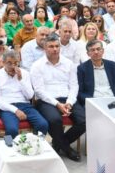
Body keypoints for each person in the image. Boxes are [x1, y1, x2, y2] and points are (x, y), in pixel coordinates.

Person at [31, 34, 81, 162]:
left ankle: (59, 143)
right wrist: (57, 104)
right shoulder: (37, 65)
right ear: (44, 49)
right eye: (51, 46)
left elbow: (74, 86)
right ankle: (67, 149)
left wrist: (69, 102)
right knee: (54, 120)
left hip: (67, 98)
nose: (55, 49)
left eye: (57, 46)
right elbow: (39, 91)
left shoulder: (69, 64)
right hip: (47, 100)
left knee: (84, 120)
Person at [0, 50, 49, 138]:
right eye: (9, 63)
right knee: (12, 129)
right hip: (7, 107)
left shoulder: (24, 73)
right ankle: (9, 148)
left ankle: (36, 146)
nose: (13, 66)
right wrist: (15, 110)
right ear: (3, 63)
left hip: (25, 105)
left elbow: (29, 96)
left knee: (43, 124)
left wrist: (20, 79)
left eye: (16, 63)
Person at [73, 39, 115, 131]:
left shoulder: (113, 66)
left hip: (112, 100)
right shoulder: (82, 68)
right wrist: (92, 102)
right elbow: (80, 92)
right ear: (88, 53)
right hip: (94, 102)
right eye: (92, 50)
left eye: (98, 49)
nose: (96, 52)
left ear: (103, 51)